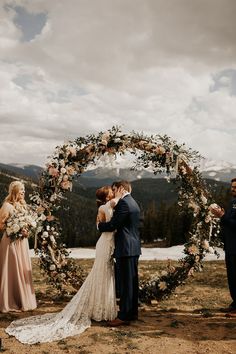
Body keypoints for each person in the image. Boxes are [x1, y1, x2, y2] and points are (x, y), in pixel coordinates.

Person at [5, 186, 120, 344]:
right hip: (105, 243)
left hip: (110, 243)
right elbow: (110, 213)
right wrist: (123, 195)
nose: (113, 193)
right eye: (111, 192)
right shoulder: (105, 206)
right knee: (102, 273)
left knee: (107, 275)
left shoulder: (109, 204)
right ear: (106, 196)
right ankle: (100, 310)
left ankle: (104, 308)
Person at [98, 180, 141, 326]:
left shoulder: (124, 203)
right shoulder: (133, 201)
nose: (114, 193)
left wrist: (99, 226)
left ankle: (123, 316)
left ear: (121, 189)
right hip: (133, 247)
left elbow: (113, 225)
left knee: (125, 284)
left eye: (115, 189)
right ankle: (132, 313)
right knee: (132, 282)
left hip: (126, 247)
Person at [0, 181, 37, 313]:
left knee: (22, 268)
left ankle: (23, 299)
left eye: (24, 190)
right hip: (11, 242)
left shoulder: (23, 205)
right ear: (14, 191)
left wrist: (26, 228)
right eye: (21, 190)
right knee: (11, 270)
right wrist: (17, 229)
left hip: (22, 243)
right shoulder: (6, 206)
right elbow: (1, 225)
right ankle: (9, 300)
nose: (23, 192)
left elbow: (26, 222)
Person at [210, 178, 236, 316]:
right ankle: (234, 303)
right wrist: (221, 215)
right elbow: (227, 220)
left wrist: (222, 216)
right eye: (232, 187)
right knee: (232, 277)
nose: (233, 189)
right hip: (230, 246)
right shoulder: (232, 203)